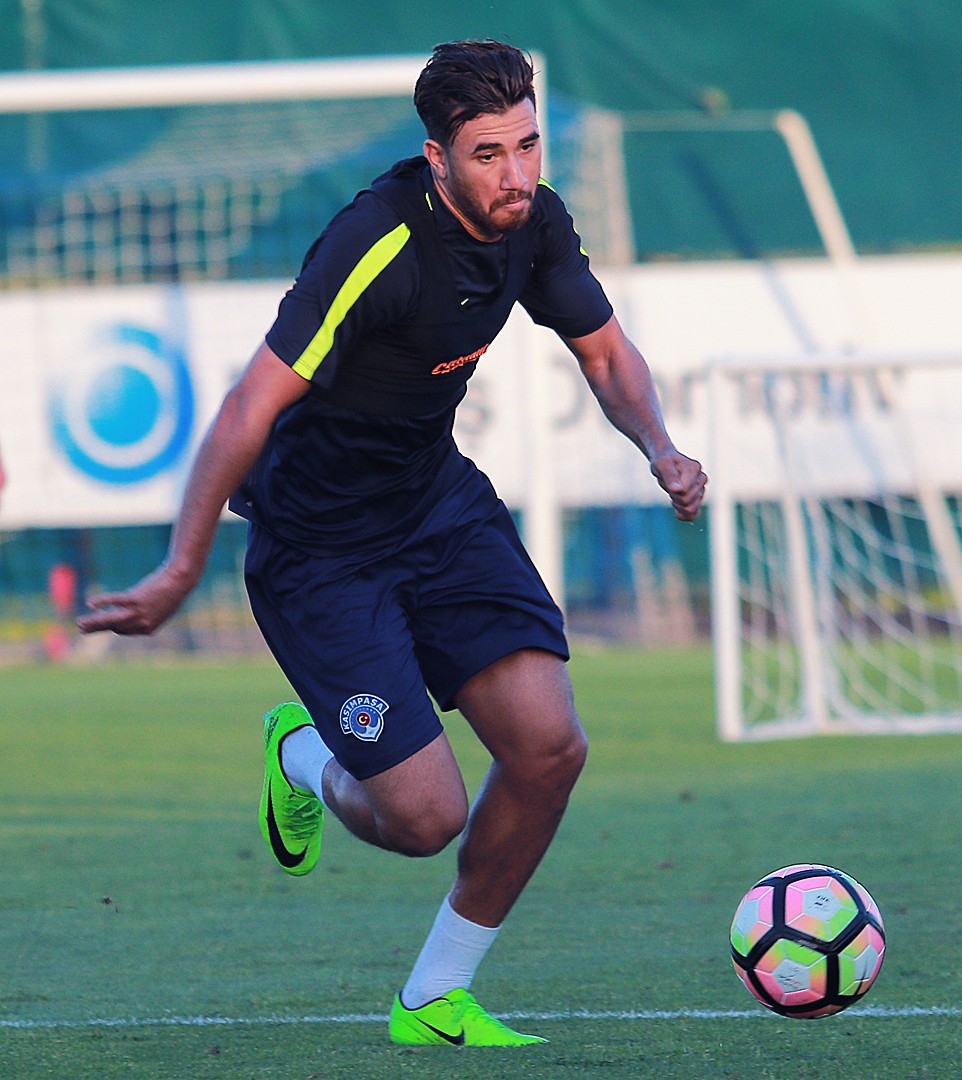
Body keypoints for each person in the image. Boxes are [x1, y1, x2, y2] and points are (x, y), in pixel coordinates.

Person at [77, 39, 707, 1047]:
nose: (517, 174)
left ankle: (434, 997)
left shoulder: (536, 219)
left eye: (528, 146)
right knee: (423, 820)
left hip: (436, 510)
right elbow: (246, 408)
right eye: (489, 154)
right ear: (437, 158)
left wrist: (661, 447)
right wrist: (182, 565)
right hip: (320, 552)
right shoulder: (375, 243)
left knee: (549, 748)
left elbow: (604, 352)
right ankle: (305, 753)